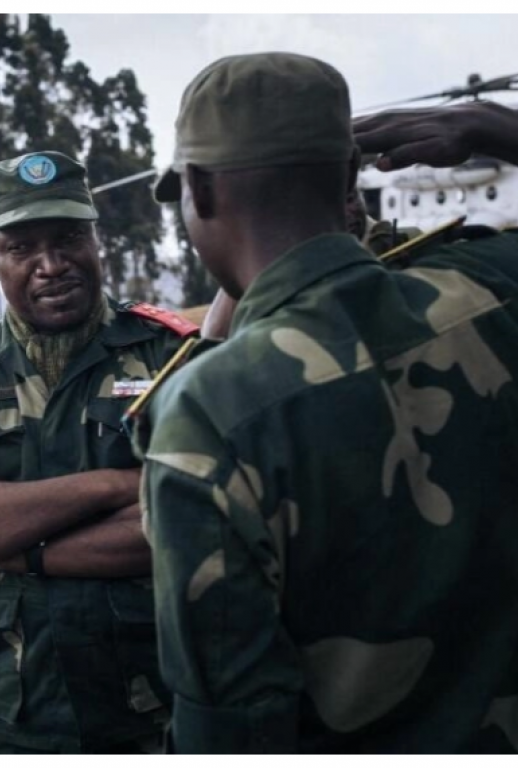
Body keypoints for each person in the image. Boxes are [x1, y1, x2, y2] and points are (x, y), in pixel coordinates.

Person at [136, 53, 518, 753]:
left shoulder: (213, 411)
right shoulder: (493, 288)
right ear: (349, 180)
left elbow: (231, 732)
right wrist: (496, 127)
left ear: (199, 189)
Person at [0, 151, 198, 753]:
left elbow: (188, 521)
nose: (51, 266)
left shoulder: (170, 357)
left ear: (97, 238)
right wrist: (115, 486)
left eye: (69, 238)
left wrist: (7, 537)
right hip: (19, 709)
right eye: (21, 248)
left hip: (160, 700)